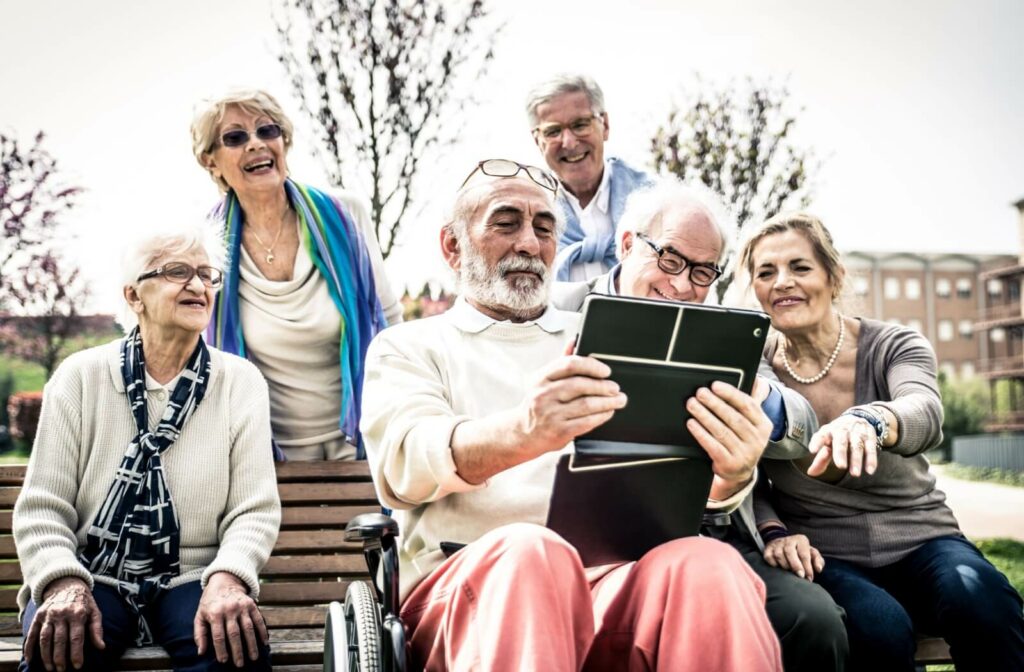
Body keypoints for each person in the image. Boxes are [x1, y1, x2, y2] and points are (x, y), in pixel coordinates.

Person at [361, 158, 783, 671]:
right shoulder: (409, 346)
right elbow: (403, 467)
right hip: (467, 585)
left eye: (544, 227)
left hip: (610, 583)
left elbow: (672, 471)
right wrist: (525, 431)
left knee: (710, 566)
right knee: (532, 553)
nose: (528, 243)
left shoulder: (610, 334)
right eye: (506, 222)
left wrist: (731, 474)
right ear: (453, 246)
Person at [553, 179, 848, 672]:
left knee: (814, 618)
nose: (684, 284)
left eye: (703, 271)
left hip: (708, 534)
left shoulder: (718, 330)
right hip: (591, 547)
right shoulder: (556, 314)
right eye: (669, 259)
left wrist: (761, 403)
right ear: (627, 245)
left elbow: (803, 424)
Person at [739, 211, 1024, 671]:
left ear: (834, 276)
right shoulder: (753, 365)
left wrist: (871, 419)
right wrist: (775, 532)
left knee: (983, 600)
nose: (782, 282)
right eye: (765, 272)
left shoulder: (894, 344)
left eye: (800, 267)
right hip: (825, 550)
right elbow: (744, 468)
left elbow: (926, 413)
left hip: (923, 537)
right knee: (878, 628)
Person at [13, 219, 281, 671]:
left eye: (206, 273)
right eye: (177, 271)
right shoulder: (80, 378)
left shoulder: (240, 382)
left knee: (232, 649)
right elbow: (43, 507)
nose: (198, 284)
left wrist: (229, 579)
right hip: (92, 571)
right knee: (62, 644)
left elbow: (253, 509)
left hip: (195, 577)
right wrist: (62, 582)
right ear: (133, 295)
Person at [190, 89, 402, 462]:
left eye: (267, 131)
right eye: (236, 137)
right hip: (265, 454)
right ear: (211, 162)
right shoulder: (206, 244)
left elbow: (390, 322)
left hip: (364, 441)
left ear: (283, 142)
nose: (256, 144)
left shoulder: (345, 213)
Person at [526, 74, 654, 282]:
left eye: (580, 125)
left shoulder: (654, 202)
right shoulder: (525, 214)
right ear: (537, 141)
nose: (568, 142)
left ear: (605, 125)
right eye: (553, 131)